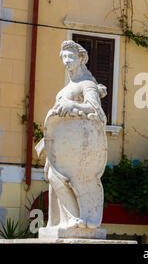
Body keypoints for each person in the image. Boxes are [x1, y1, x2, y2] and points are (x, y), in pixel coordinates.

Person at [36, 40, 107, 232]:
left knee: (59, 177)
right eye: (64, 57)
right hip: (61, 146)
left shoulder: (87, 84)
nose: (66, 61)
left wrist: (73, 106)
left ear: (80, 59)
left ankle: (77, 219)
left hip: (77, 147)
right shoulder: (64, 89)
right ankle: (65, 221)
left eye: (71, 57)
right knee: (52, 176)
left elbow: (96, 110)